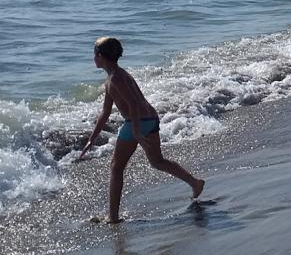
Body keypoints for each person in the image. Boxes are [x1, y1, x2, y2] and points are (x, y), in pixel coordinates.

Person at [78, 37, 205, 222]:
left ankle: (112, 217)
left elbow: (134, 104)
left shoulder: (115, 79)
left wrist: (136, 131)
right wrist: (92, 138)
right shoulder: (116, 76)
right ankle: (195, 183)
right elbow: (105, 113)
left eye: (94, 53)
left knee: (116, 167)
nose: (93, 57)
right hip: (150, 119)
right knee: (157, 161)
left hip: (137, 121)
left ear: (100, 56)